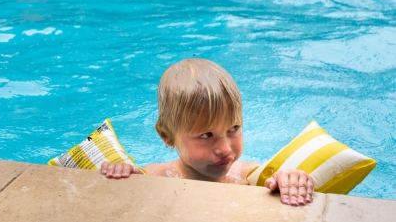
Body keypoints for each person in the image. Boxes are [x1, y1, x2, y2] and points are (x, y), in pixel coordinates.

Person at [100, 58, 315, 207]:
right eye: (206, 135)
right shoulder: (156, 177)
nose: (224, 149)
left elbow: (278, 179)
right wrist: (121, 174)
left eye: (234, 128)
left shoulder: (248, 175)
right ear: (167, 136)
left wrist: (289, 178)